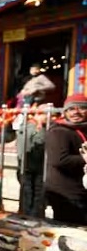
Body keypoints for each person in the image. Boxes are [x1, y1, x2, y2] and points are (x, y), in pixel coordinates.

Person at [45, 94, 87, 225]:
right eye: (71, 109)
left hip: (81, 190)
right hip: (66, 192)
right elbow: (60, 160)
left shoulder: (82, 129)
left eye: (81, 108)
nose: (76, 112)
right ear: (65, 112)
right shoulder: (59, 131)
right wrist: (84, 159)